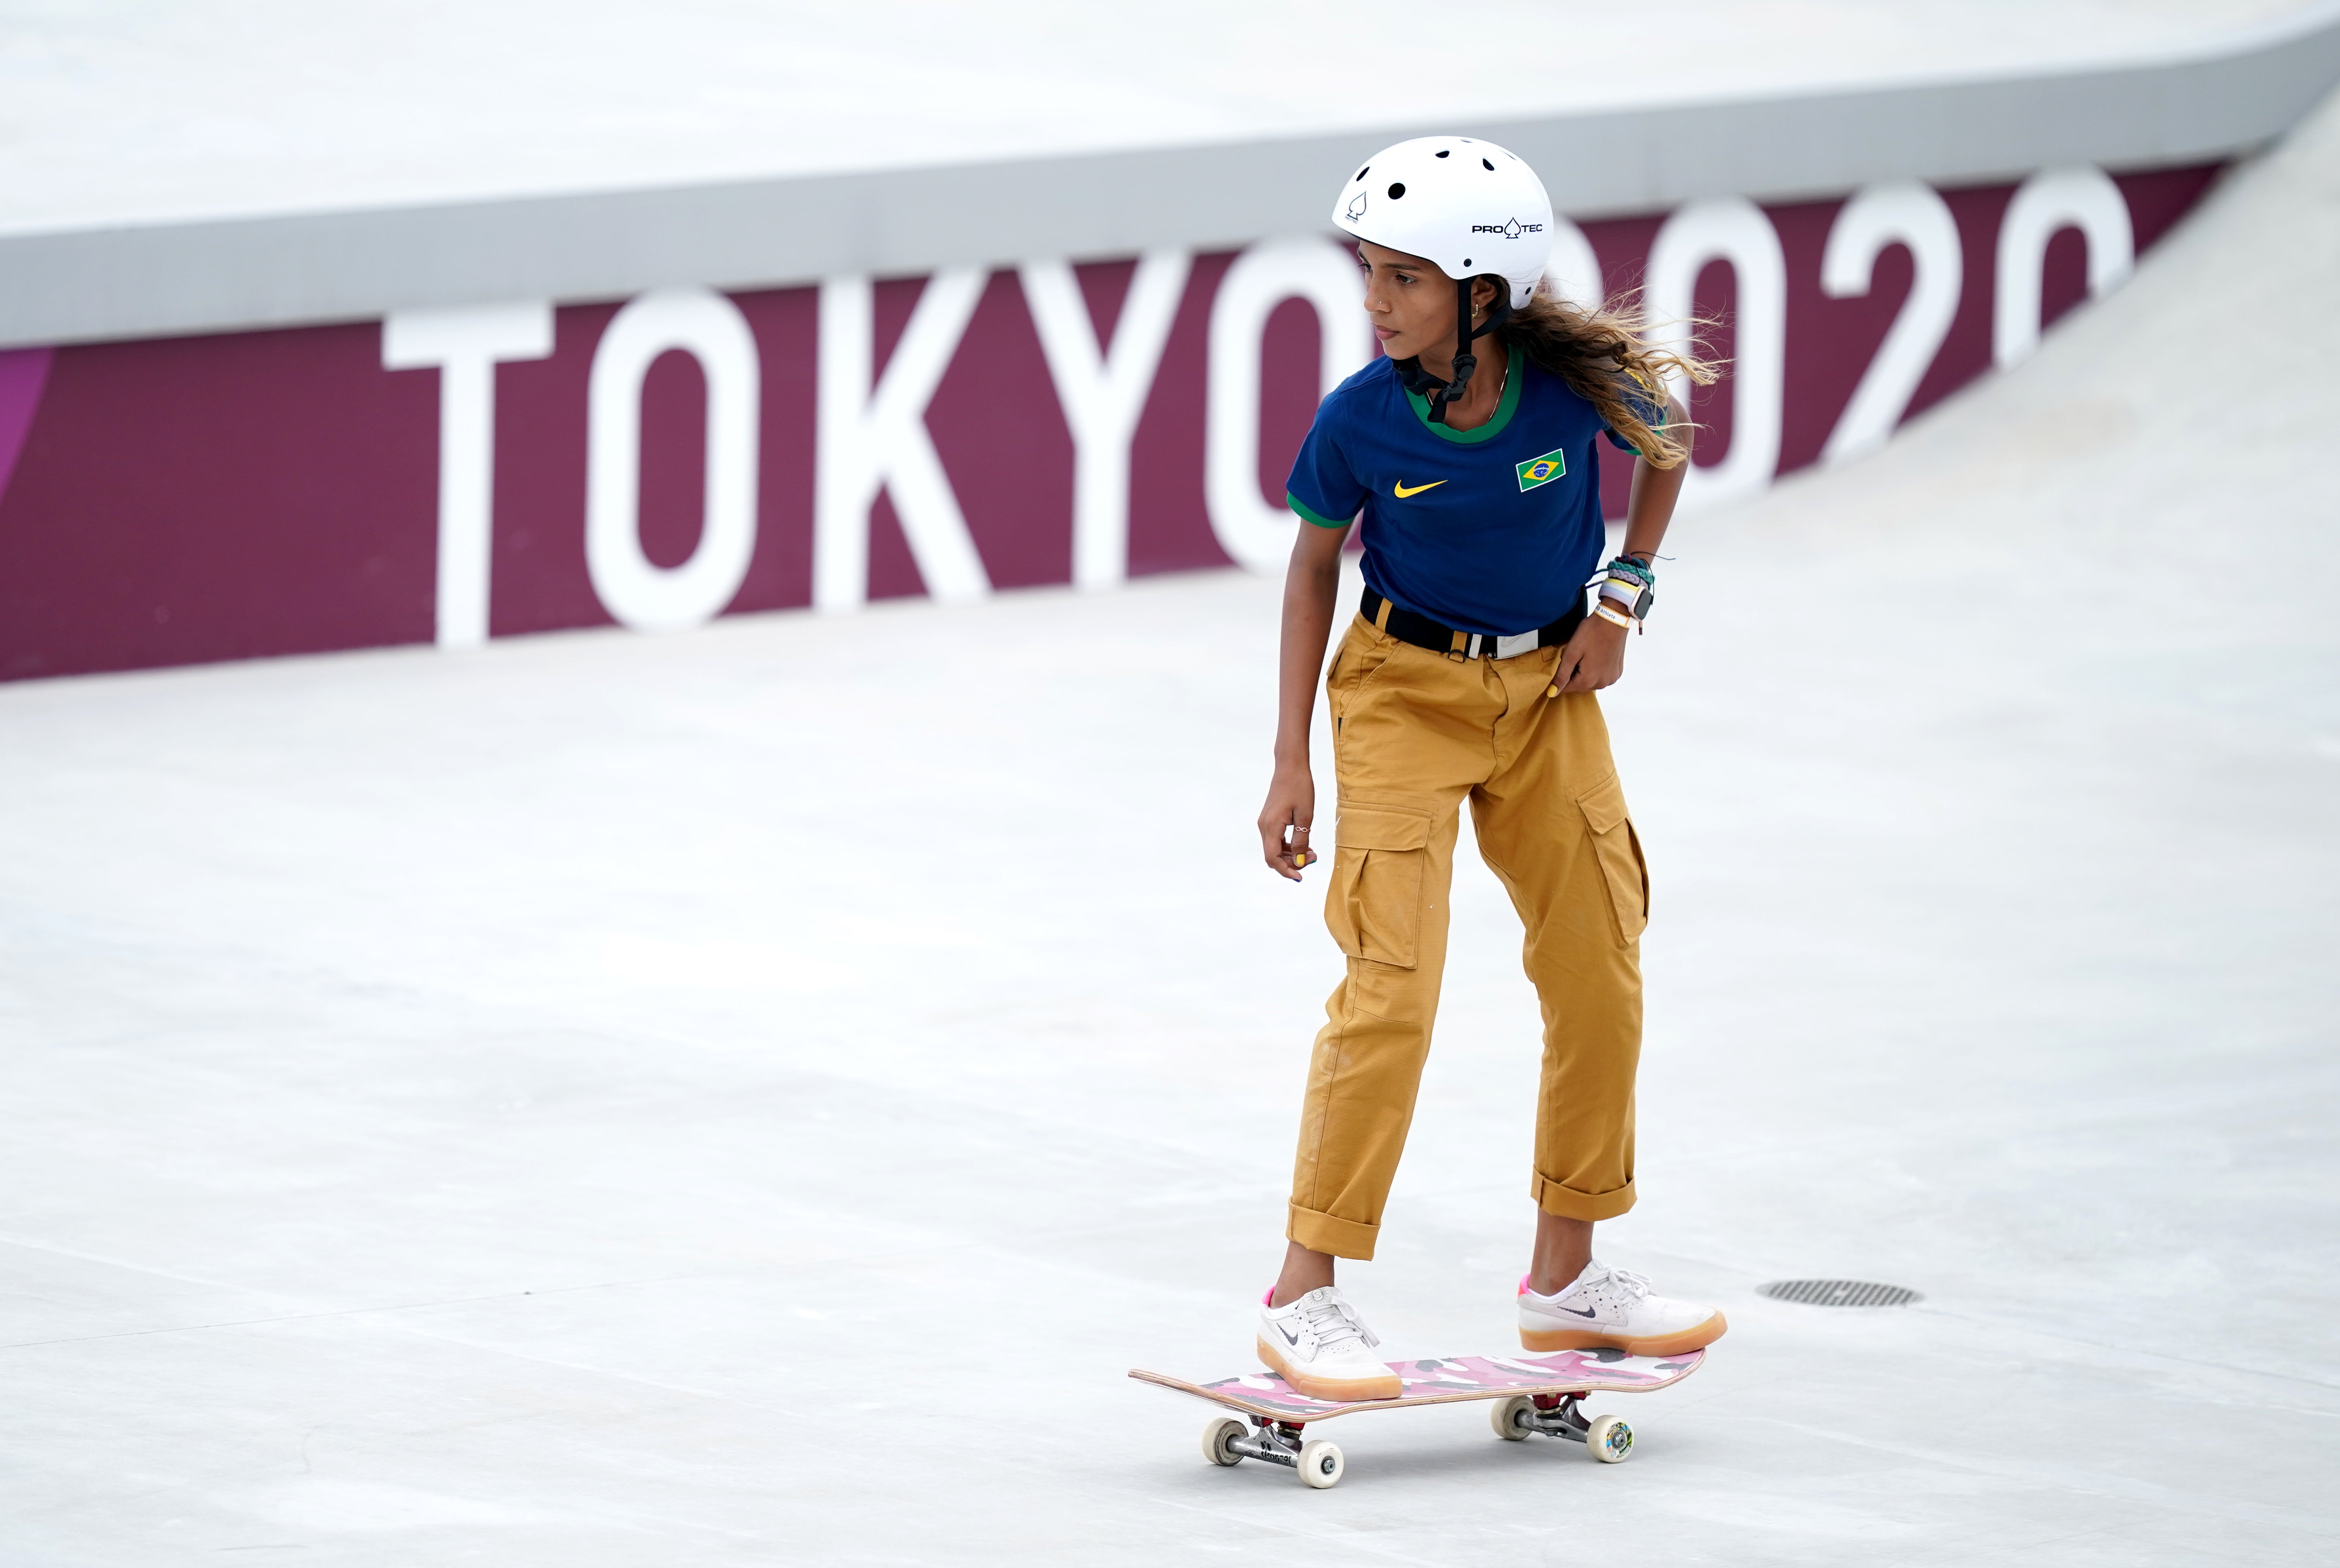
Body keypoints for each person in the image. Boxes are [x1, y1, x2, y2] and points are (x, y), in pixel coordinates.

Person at [1252, 137, 1730, 1401]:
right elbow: (1310, 571)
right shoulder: (1358, 415)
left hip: (1547, 696)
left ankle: (1566, 1275)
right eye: (1367, 272)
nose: (1374, 300)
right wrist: (1289, 760)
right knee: (1390, 992)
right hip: (1400, 695)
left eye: (1402, 278)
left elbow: (1667, 437)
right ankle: (1304, 1294)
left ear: (1481, 292)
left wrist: (1620, 599)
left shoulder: (1569, 388)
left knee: (1598, 971)